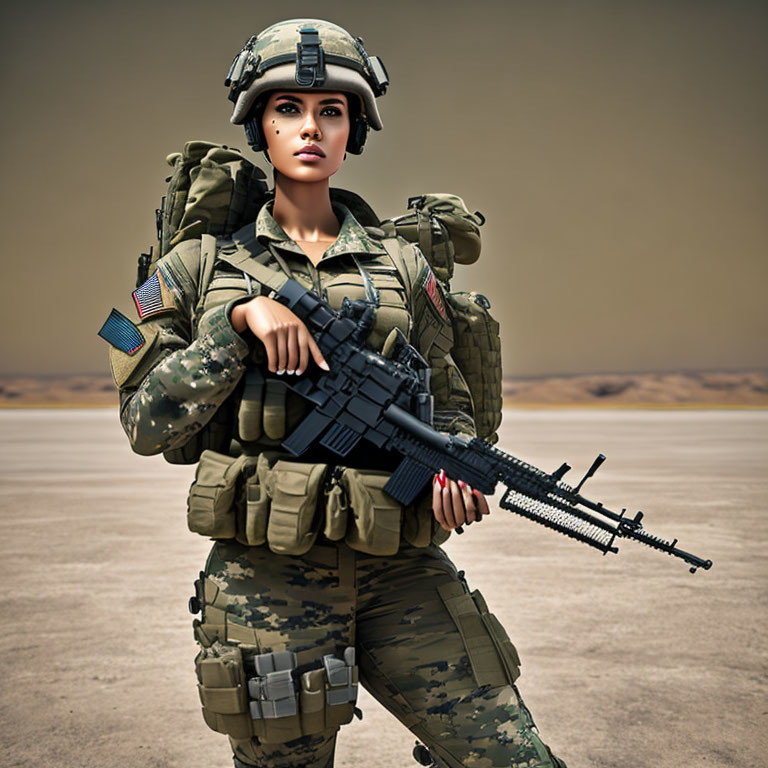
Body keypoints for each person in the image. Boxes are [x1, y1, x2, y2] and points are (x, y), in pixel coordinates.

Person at [105, 19, 566, 768]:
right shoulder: (190, 269)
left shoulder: (404, 268)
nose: (310, 128)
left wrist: (450, 467)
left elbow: (446, 399)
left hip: (402, 568)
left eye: (331, 111)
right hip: (268, 582)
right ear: (258, 122)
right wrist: (235, 326)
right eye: (287, 108)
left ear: (355, 126)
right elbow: (144, 421)